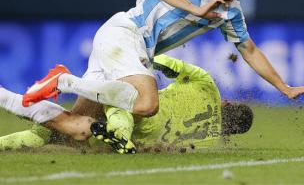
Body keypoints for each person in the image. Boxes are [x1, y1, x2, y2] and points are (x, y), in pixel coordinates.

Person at [20, 0, 304, 151]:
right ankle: (63, 80)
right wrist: (196, 10)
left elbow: (250, 51)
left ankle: (13, 110)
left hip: (130, 49)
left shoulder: (230, 12)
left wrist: (284, 87)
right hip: (126, 33)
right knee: (147, 104)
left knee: (76, 129)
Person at [0, 55, 253, 153]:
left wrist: (142, 59)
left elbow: (168, 64)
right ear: (229, 130)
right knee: (73, 127)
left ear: (227, 101)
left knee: (51, 130)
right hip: (140, 135)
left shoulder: (207, 85)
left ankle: (118, 132)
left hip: (141, 108)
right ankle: (119, 135)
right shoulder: (210, 142)